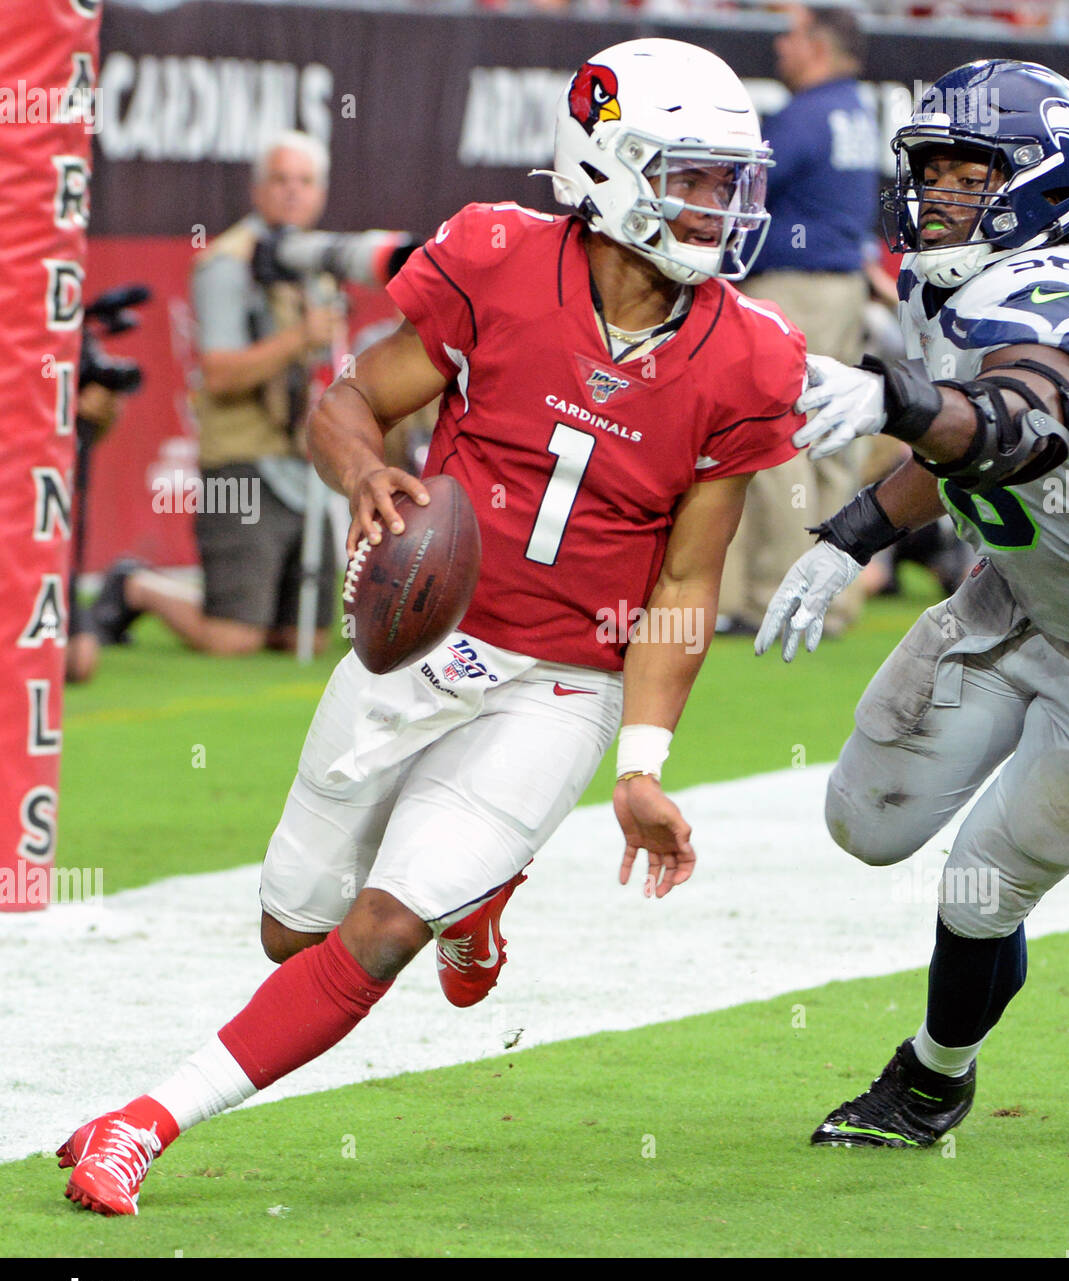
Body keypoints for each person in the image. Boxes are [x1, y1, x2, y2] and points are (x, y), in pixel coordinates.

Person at [57, 37, 805, 1215]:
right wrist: (363, 472)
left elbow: (686, 583)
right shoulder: (500, 259)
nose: (717, 205)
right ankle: (482, 897)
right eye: (689, 174)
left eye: (727, 180)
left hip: (562, 681)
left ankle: (142, 1124)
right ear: (606, 165)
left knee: (384, 924)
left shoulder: (750, 356)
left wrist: (645, 764)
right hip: (419, 637)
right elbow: (349, 399)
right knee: (286, 930)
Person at [757, 60, 1069, 1149]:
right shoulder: (945, 281)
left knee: (981, 888)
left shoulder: (1062, 291)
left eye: (965, 170)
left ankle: (933, 1081)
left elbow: (1017, 423)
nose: (936, 191)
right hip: (1018, 595)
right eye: (929, 167)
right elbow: (957, 448)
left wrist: (899, 398)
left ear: (1039, 182)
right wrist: (850, 539)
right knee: (865, 819)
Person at [92, 131, 347, 656]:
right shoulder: (228, 263)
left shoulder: (318, 267)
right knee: (233, 639)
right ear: (257, 190)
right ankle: (136, 585)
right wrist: (300, 338)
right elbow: (221, 374)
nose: (292, 192)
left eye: (304, 181)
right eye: (279, 180)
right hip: (241, 462)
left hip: (304, 464)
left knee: (304, 638)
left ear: (320, 192)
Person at [718, 3, 879, 638]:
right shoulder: (855, 112)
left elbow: (743, 189)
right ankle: (832, 600)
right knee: (834, 444)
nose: (780, 47)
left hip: (792, 291)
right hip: (842, 287)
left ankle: (771, 598)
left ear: (817, 45)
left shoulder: (806, 115)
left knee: (777, 441)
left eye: (790, 36)